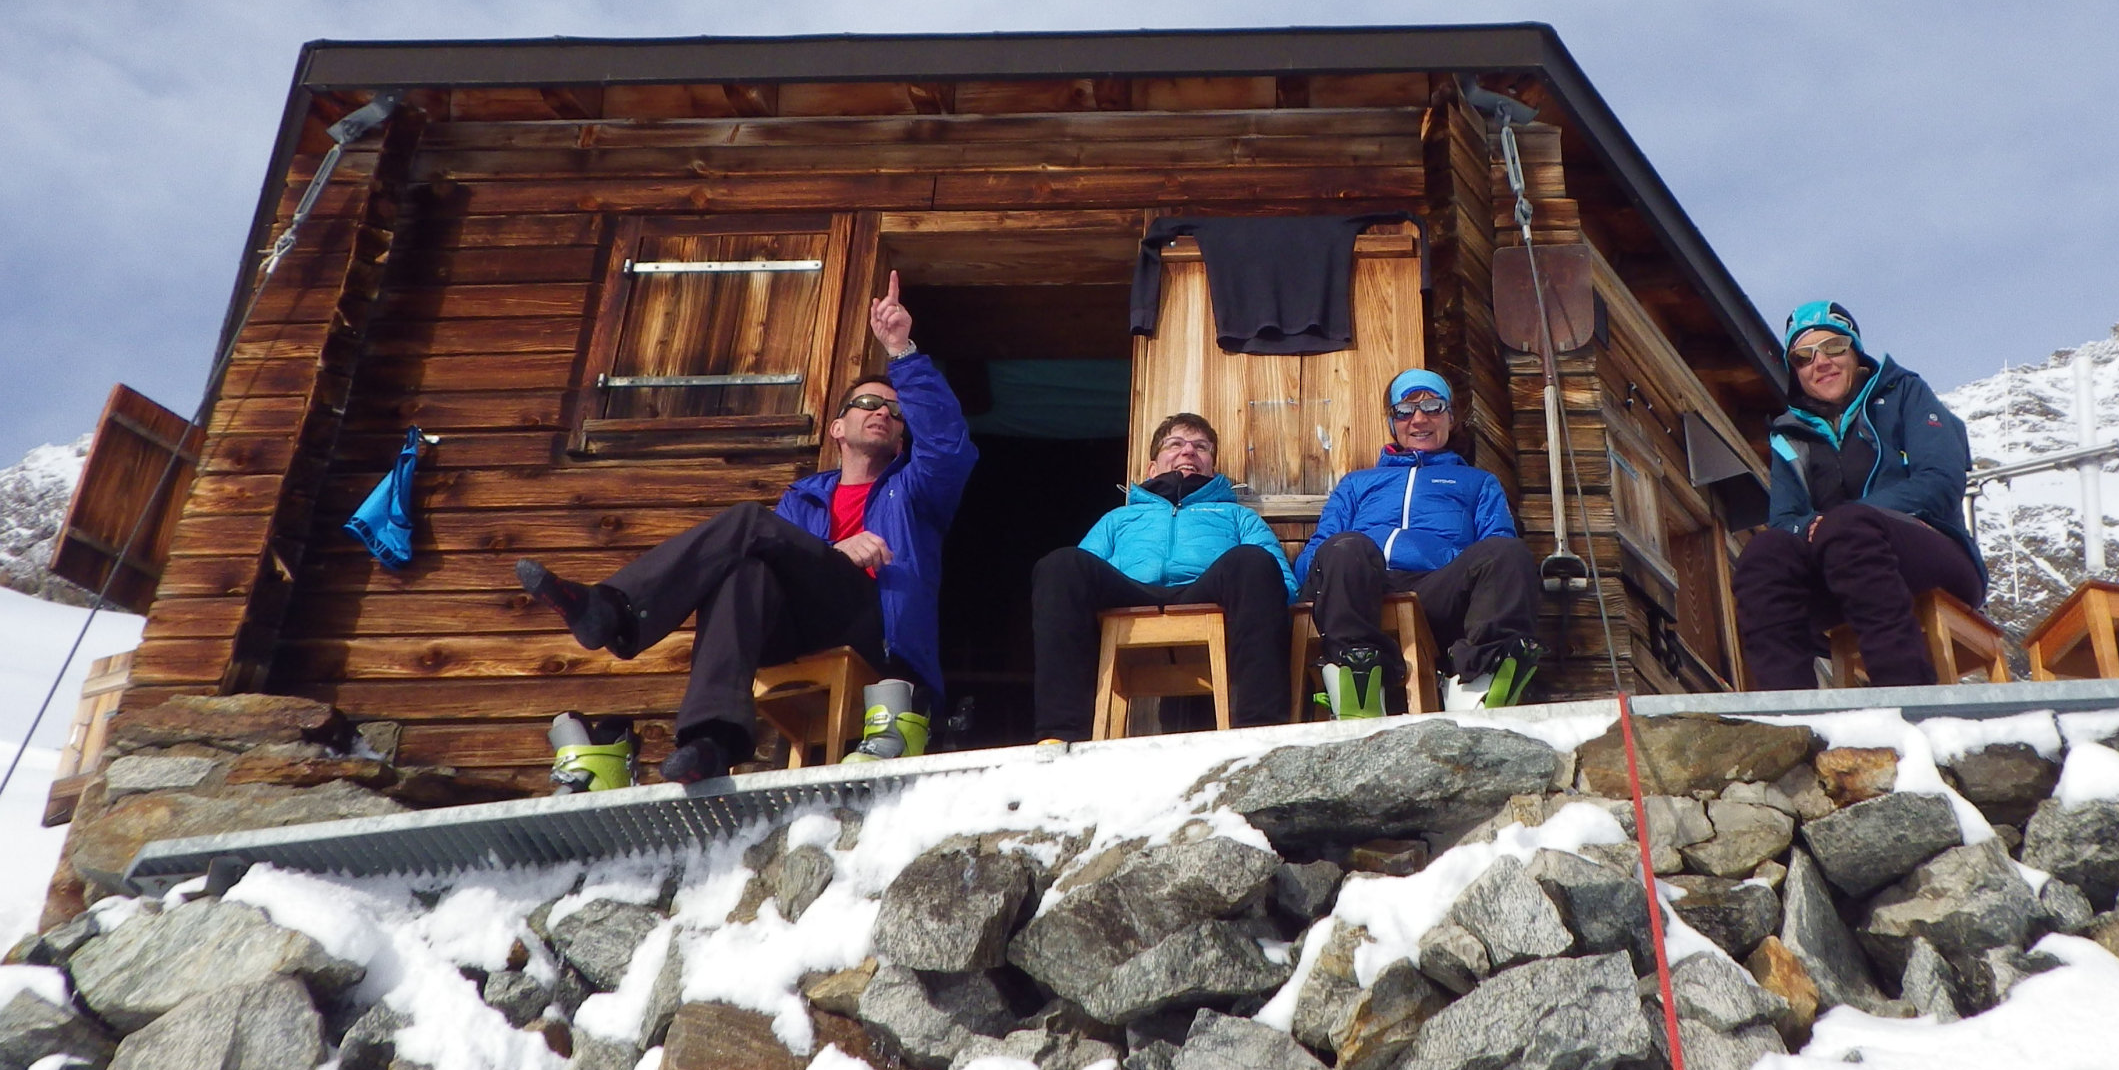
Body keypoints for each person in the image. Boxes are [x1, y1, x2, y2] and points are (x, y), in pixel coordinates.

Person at [514, 272, 977, 783]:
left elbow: (947, 445)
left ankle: (616, 609)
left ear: (901, 436)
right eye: (867, 403)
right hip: (796, 629)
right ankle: (712, 741)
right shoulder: (803, 498)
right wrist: (835, 551)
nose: (882, 412)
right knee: (744, 575)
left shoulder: (915, 489)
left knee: (749, 522)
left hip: (878, 631)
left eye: (894, 410)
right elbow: (784, 569)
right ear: (837, 428)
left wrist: (901, 351)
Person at [1733, 300, 1987, 690]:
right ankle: (1791, 711)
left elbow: (1940, 480)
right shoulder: (1789, 434)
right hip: (1841, 571)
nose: (1821, 362)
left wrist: (1846, 518)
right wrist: (1820, 526)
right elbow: (1785, 520)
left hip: (1933, 556)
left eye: (1834, 347)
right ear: (1795, 370)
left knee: (1847, 525)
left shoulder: (1904, 393)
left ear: (1856, 351)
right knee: (1763, 553)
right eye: (1803, 356)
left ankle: (1906, 693)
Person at [1028, 413, 1296, 742]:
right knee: (1061, 566)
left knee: (1254, 561)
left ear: (1212, 469)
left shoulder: (1239, 516)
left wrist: (1258, 602)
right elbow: (1076, 581)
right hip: (1129, 593)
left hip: (1207, 592)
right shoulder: (1119, 518)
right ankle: (1060, 734)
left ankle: (1261, 728)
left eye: (1201, 447)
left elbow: (1283, 584)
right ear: (1152, 468)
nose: (1189, 451)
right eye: (1175, 444)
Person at [1296, 369, 1545, 718]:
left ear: (1451, 417)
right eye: (1404, 410)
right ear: (1392, 422)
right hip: (1360, 582)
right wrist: (1312, 582)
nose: (1418, 419)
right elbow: (1318, 548)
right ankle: (1356, 678)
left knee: (1508, 552)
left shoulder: (1477, 482)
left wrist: (1454, 560)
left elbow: (1497, 542)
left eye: (1432, 407)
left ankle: (1478, 682)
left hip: (1436, 587)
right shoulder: (1357, 483)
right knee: (1345, 547)